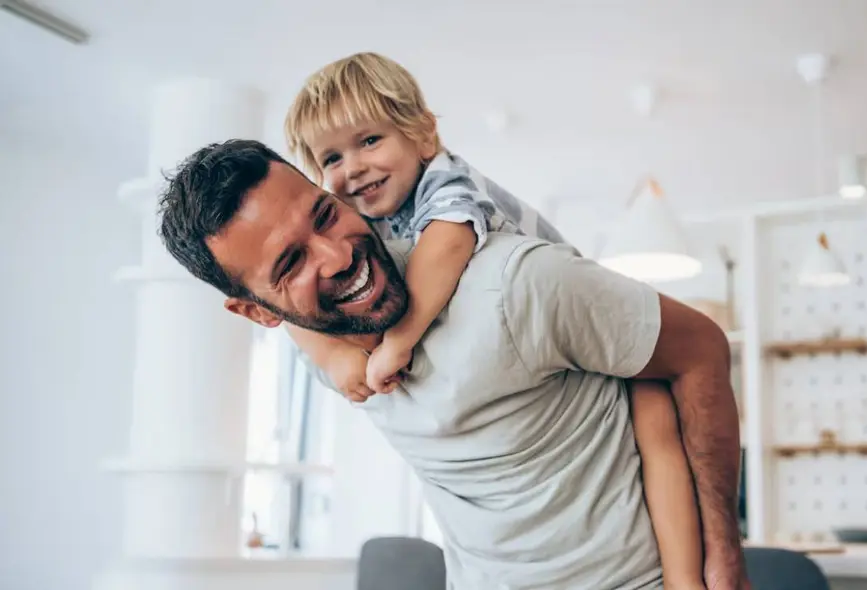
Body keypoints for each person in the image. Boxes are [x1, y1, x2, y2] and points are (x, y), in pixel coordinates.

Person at [157, 138, 748, 590]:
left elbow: (701, 350)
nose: (338, 256)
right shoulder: (324, 347)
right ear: (261, 314)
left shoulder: (515, 285)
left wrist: (723, 557)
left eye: (324, 215)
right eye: (290, 264)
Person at [281, 51, 706, 588]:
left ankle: (688, 578)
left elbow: (449, 244)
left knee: (656, 424)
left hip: (601, 333)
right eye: (332, 158)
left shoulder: (446, 180)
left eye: (370, 141)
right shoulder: (364, 224)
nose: (353, 167)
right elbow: (289, 308)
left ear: (423, 135)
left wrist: (400, 341)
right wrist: (335, 355)